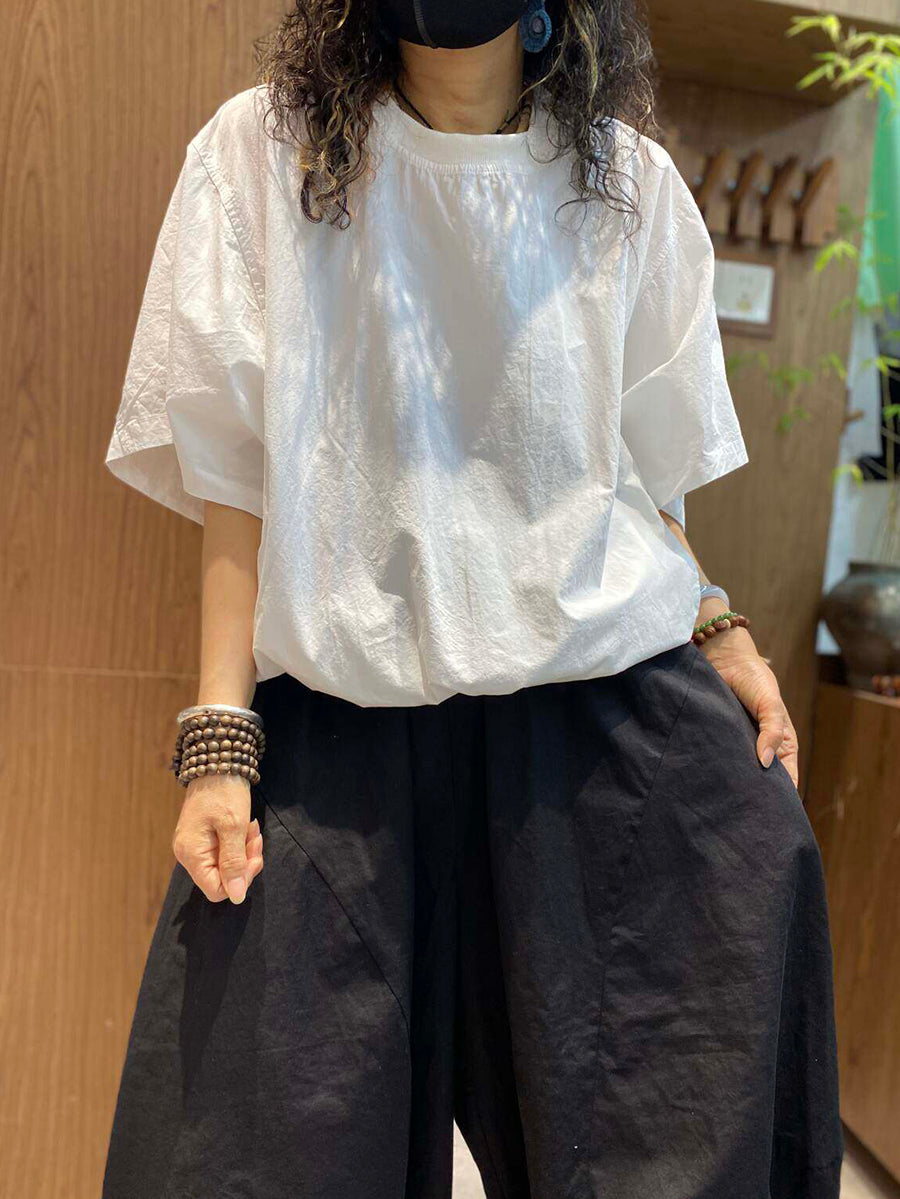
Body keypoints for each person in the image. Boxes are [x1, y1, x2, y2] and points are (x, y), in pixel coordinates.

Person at [101, 2, 844, 1196]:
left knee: (682, 1093)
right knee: (251, 1148)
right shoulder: (260, 153)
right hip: (340, 737)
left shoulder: (625, 182)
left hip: (594, 722)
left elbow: (642, 477)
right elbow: (233, 477)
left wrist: (719, 626)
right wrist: (220, 741)